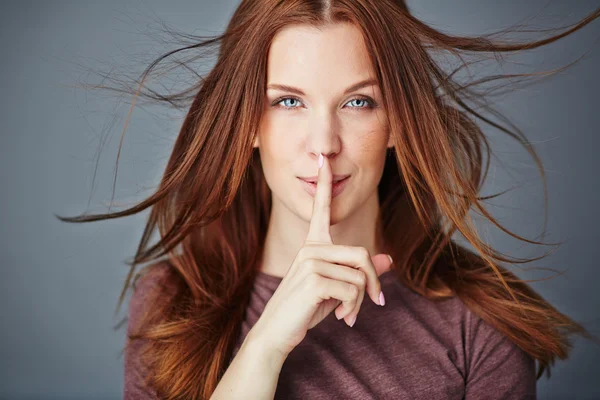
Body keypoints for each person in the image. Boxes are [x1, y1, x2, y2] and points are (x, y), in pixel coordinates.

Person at [56, 1, 600, 399]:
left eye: (359, 102)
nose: (324, 145)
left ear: (397, 123)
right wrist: (264, 348)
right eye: (289, 101)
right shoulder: (173, 304)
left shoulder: (481, 324)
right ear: (248, 123)